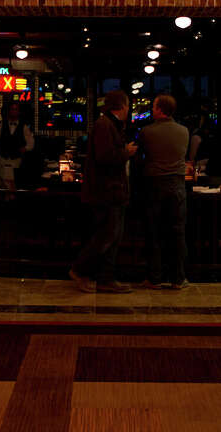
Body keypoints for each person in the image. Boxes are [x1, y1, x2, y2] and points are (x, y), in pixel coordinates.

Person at [69, 89, 137, 294]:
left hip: (111, 191)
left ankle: (106, 279)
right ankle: (80, 270)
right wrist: (127, 152)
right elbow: (105, 157)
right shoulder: (104, 125)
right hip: (106, 192)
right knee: (106, 236)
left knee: (111, 237)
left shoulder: (108, 124)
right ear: (122, 106)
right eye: (127, 106)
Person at [137, 94, 191, 290]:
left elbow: (140, 157)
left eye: (153, 106)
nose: (152, 109)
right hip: (177, 184)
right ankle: (178, 278)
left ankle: (154, 277)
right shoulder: (184, 131)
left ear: (160, 109)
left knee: (153, 232)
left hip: (153, 184)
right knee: (177, 232)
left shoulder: (146, 132)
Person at [0, 101, 34, 190]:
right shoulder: (0, 125)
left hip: (16, 160)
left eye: (15, 109)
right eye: (12, 109)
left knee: (14, 184)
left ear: (19, 112)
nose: (13, 111)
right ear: (8, 111)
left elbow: (31, 143)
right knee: (2, 185)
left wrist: (25, 149)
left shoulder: (24, 127)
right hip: (2, 159)